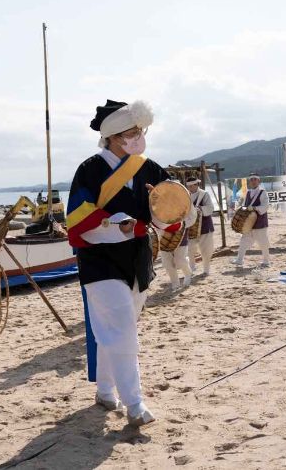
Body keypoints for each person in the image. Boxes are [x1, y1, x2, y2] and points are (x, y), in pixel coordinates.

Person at [66, 99, 168, 427]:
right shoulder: (90, 169)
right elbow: (79, 215)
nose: (139, 137)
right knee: (122, 328)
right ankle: (134, 403)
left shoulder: (147, 167)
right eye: (132, 132)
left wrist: (164, 208)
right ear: (112, 136)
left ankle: (106, 389)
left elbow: (170, 208)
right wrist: (120, 223)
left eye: (140, 131)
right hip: (99, 259)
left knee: (116, 330)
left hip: (137, 258)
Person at [155, 198, 197, 291]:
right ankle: (175, 283)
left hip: (180, 234)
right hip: (163, 235)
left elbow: (192, 216)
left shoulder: (183, 199)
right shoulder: (159, 203)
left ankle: (188, 273)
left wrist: (183, 224)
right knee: (167, 263)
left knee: (180, 260)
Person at [233, 174, 272, 268]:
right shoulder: (248, 193)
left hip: (260, 222)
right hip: (248, 223)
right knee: (243, 241)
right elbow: (245, 205)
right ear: (250, 181)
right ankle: (239, 260)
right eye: (252, 180)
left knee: (263, 243)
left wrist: (254, 207)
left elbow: (266, 206)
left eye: (255, 179)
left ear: (259, 181)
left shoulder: (263, 192)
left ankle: (266, 262)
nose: (253, 181)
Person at [186, 177, 216, 275]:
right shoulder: (186, 195)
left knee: (206, 250)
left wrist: (199, 209)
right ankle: (192, 269)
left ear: (196, 185)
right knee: (189, 249)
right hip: (191, 227)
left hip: (205, 226)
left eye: (191, 186)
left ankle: (206, 270)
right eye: (188, 186)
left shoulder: (204, 194)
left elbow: (211, 208)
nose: (190, 188)